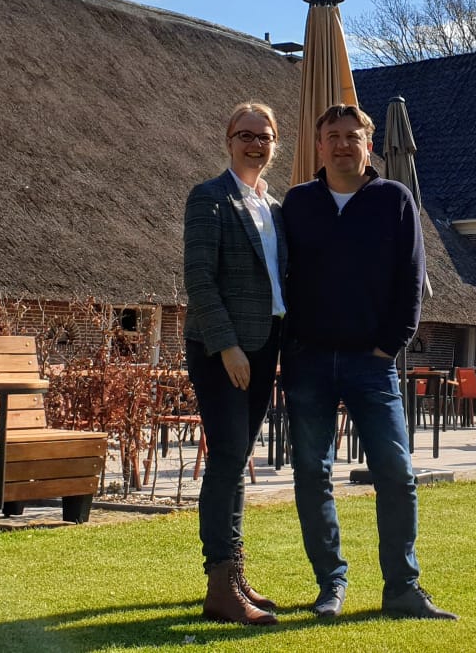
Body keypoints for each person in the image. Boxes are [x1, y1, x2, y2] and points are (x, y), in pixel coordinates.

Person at [281, 104, 456, 621]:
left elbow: (411, 282)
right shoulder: (297, 205)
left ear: (368, 144)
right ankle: (330, 585)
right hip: (308, 361)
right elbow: (279, 278)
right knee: (312, 474)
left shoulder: (394, 201)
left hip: (371, 364)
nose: (341, 145)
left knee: (396, 473)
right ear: (318, 147)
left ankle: (402, 587)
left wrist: (389, 345)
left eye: (351, 136)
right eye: (331, 136)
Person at [182, 101, 287, 626]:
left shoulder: (276, 208)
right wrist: (226, 347)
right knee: (226, 456)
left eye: (264, 136)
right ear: (228, 140)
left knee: (238, 457)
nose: (255, 144)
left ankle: (236, 574)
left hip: (265, 344)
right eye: (245, 135)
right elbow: (199, 280)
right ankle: (219, 584)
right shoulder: (209, 198)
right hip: (222, 349)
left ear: (275, 144)